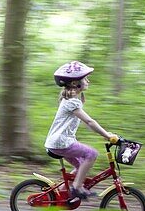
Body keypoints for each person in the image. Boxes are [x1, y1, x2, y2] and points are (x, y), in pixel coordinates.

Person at [44, 61, 118, 200]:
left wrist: (102, 133)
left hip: (59, 142)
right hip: (61, 142)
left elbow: (88, 124)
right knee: (92, 153)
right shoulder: (72, 101)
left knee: (80, 167)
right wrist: (107, 135)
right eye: (85, 78)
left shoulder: (72, 100)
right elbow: (90, 121)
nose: (88, 81)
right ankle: (77, 187)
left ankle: (60, 195)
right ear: (74, 83)